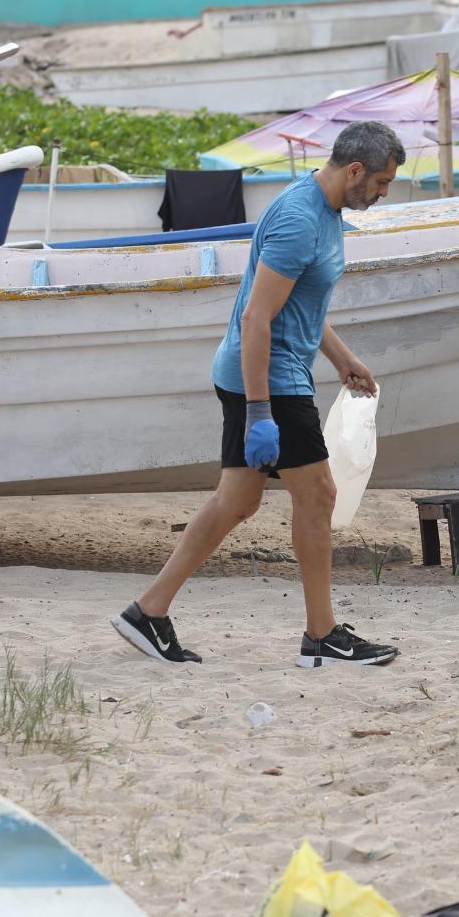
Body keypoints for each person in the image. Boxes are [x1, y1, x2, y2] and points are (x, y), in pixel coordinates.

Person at [112, 121, 406, 669]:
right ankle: (321, 635)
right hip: (268, 376)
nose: (385, 192)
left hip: (265, 369)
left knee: (238, 501)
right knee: (318, 495)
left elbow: (300, 304)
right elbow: (256, 318)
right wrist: (258, 414)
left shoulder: (327, 211)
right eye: (384, 182)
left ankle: (147, 612)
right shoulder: (300, 219)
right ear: (356, 170)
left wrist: (342, 360)